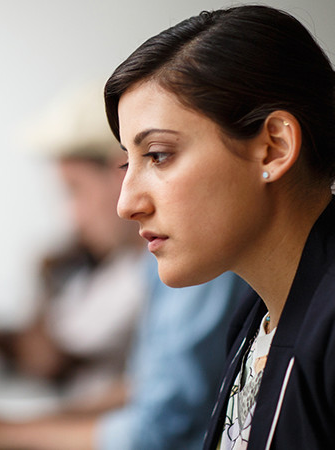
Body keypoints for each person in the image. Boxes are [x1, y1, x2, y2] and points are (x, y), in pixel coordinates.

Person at [0, 80, 248, 449]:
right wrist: (35, 422)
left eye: (75, 190)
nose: (72, 220)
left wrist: (9, 433)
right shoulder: (150, 267)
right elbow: (150, 387)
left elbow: (161, 428)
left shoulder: (197, 264)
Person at [103, 5, 335, 449]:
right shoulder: (257, 319)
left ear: (272, 148)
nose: (126, 204)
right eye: (125, 163)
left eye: (158, 155)